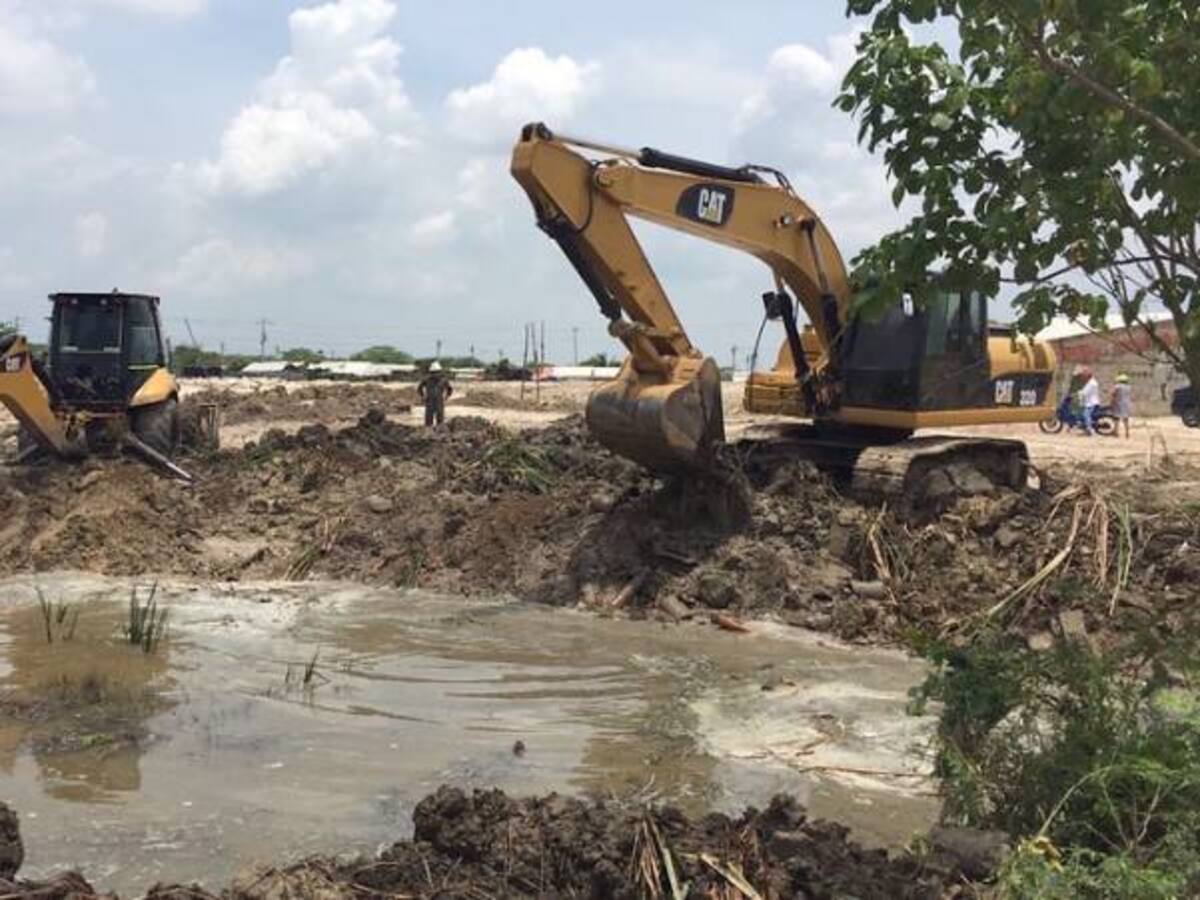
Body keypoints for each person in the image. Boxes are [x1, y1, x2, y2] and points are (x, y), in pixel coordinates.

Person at [417, 361, 453, 426]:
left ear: (440, 372)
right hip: (429, 401)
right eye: (433, 373)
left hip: (439, 401)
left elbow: (449, 389)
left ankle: (439, 430)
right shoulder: (427, 379)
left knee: (440, 420)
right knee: (428, 421)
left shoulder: (443, 380)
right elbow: (419, 388)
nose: (435, 374)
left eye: (437, 372)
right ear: (431, 373)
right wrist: (422, 396)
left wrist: (446, 397)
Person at [1078, 367, 1101, 436]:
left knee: (1086, 415)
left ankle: (1089, 429)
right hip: (1090, 402)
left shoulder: (1091, 383)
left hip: (1091, 403)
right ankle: (1086, 428)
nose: (1083, 377)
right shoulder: (1091, 382)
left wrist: (1079, 393)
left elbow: (1085, 392)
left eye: (1084, 375)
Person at [1111, 372, 1133, 438]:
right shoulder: (1129, 387)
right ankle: (1127, 432)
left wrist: (1112, 402)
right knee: (1125, 419)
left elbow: (1113, 394)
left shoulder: (1117, 386)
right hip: (1127, 403)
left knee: (1116, 418)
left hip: (1118, 403)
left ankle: (1116, 432)